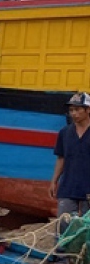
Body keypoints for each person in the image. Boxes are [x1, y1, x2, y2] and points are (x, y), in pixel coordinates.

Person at [49, 92, 90, 229]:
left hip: (88, 187)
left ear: (88, 110)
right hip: (68, 186)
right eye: (71, 110)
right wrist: (54, 181)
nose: (74, 113)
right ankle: (61, 249)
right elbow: (61, 158)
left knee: (86, 227)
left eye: (78, 109)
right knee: (63, 224)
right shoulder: (65, 133)